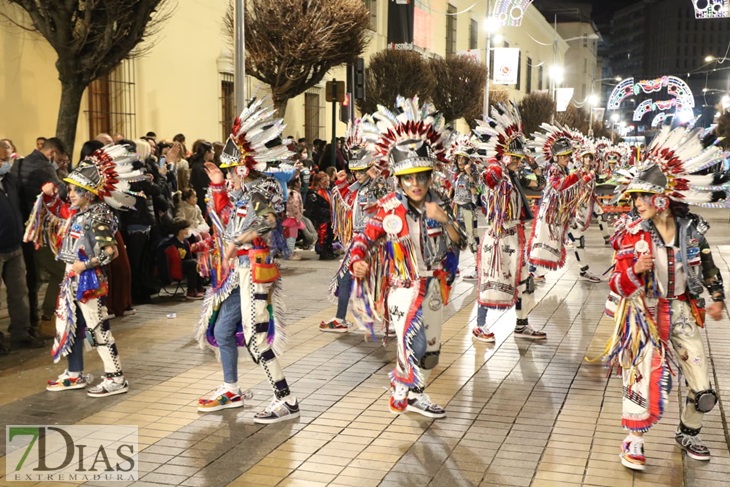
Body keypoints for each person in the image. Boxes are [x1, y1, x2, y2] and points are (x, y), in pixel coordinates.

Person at [604, 127, 727, 471]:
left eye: (643, 196)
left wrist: (716, 297)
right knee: (643, 376)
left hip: (682, 311)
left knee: (703, 389)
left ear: (663, 197)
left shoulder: (691, 229)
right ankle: (633, 441)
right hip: (644, 314)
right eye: (634, 197)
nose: (637, 203)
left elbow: (706, 265)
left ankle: (688, 432)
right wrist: (635, 271)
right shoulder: (632, 233)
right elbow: (616, 282)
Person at [350, 96, 466, 418]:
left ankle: (416, 394)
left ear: (430, 176)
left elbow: (463, 242)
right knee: (412, 344)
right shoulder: (388, 207)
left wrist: (444, 219)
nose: (415, 184)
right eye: (408, 178)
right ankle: (400, 386)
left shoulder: (440, 203)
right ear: (398, 179)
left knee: (431, 354)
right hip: (402, 288)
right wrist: (358, 261)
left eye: (421, 176)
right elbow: (363, 239)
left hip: (434, 288)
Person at [195, 99, 300, 423]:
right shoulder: (243, 191)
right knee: (224, 329)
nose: (228, 176)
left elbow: (268, 221)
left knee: (256, 339)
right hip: (235, 274)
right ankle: (231, 387)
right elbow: (224, 217)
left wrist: (237, 242)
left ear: (243, 166)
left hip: (254, 270)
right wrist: (216, 185)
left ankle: (286, 398)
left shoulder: (262, 188)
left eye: (229, 170)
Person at [25, 144, 141, 396]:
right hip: (72, 279)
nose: (71, 194)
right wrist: (48, 195)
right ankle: (75, 373)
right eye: (70, 189)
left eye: (76, 190)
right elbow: (57, 210)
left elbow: (111, 252)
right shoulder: (80, 212)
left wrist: (84, 265)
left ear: (89, 193)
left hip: (88, 280)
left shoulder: (97, 216)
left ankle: (115, 377)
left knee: (98, 329)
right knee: (70, 326)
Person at [471, 103, 546, 342]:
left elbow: (541, 183)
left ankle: (522, 324)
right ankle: (480, 325)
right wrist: (495, 163)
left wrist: (532, 163)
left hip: (516, 236)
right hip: (498, 237)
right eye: (514, 158)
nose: (517, 161)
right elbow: (489, 178)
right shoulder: (496, 174)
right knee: (490, 282)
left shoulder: (516, 176)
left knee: (524, 281)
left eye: (519, 158)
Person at [321, 120, 382, 332]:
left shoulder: (380, 184)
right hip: (359, 241)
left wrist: (379, 179)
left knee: (378, 280)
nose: (357, 175)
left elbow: (391, 200)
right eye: (355, 171)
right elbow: (345, 203)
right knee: (346, 278)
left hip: (376, 242)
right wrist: (340, 182)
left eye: (362, 171)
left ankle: (345, 319)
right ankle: (341, 319)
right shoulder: (359, 186)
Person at [12, 136, 68, 338]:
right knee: (61, 271)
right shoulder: (44, 167)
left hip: (24, 231)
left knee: (31, 279)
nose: (60, 163)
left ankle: (30, 322)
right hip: (39, 233)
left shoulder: (22, 163)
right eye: (60, 160)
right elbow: (61, 192)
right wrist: (64, 177)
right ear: (53, 153)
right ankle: (46, 319)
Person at [527, 127, 591, 276]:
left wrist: (585, 178)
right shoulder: (554, 169)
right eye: (564, 155)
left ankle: (584, 269)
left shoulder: (563, 169)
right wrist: (579, 176)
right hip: (552, 213)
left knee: (577, 238)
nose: (567, 158)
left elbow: (571, 186)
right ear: (556, 157)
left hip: (563, 212)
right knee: (543, 242)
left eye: (568, 155)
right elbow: (558, 186)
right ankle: (531, 272)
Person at [0, 139, 43, 351]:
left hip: (14, 245)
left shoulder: (8, 181)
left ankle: (21, 332)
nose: (6, 163)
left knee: (20, 292)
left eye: (7, 159)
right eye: (2, 160)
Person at [169, 218, 205, 299]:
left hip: (186, 265)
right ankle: (191, 290)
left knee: (198, 262)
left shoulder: (186, 242)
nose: (189, 230)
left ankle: (199, 287)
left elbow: (189, 257)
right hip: (177, 267)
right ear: (181, 231)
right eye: (187, 228)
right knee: (192, 263)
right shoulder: (172, 243)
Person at [306, 172, 336, 260]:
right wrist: (329, 212)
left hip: (329, 217)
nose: (327, 182)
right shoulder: (315, 193)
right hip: (322, 219)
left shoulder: (328, 191)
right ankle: (324, 252)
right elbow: (315, 209)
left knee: (330, 235)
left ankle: (329, 251)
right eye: (324, 180)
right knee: (324, 236)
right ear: (319, 182)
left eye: (327, 180)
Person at [189, 141, 213, 216]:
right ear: (206, 152)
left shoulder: (200, 165)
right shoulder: (201, 167)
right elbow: (205, 185)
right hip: (202, 197)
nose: (214, 152)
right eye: (212, 150)